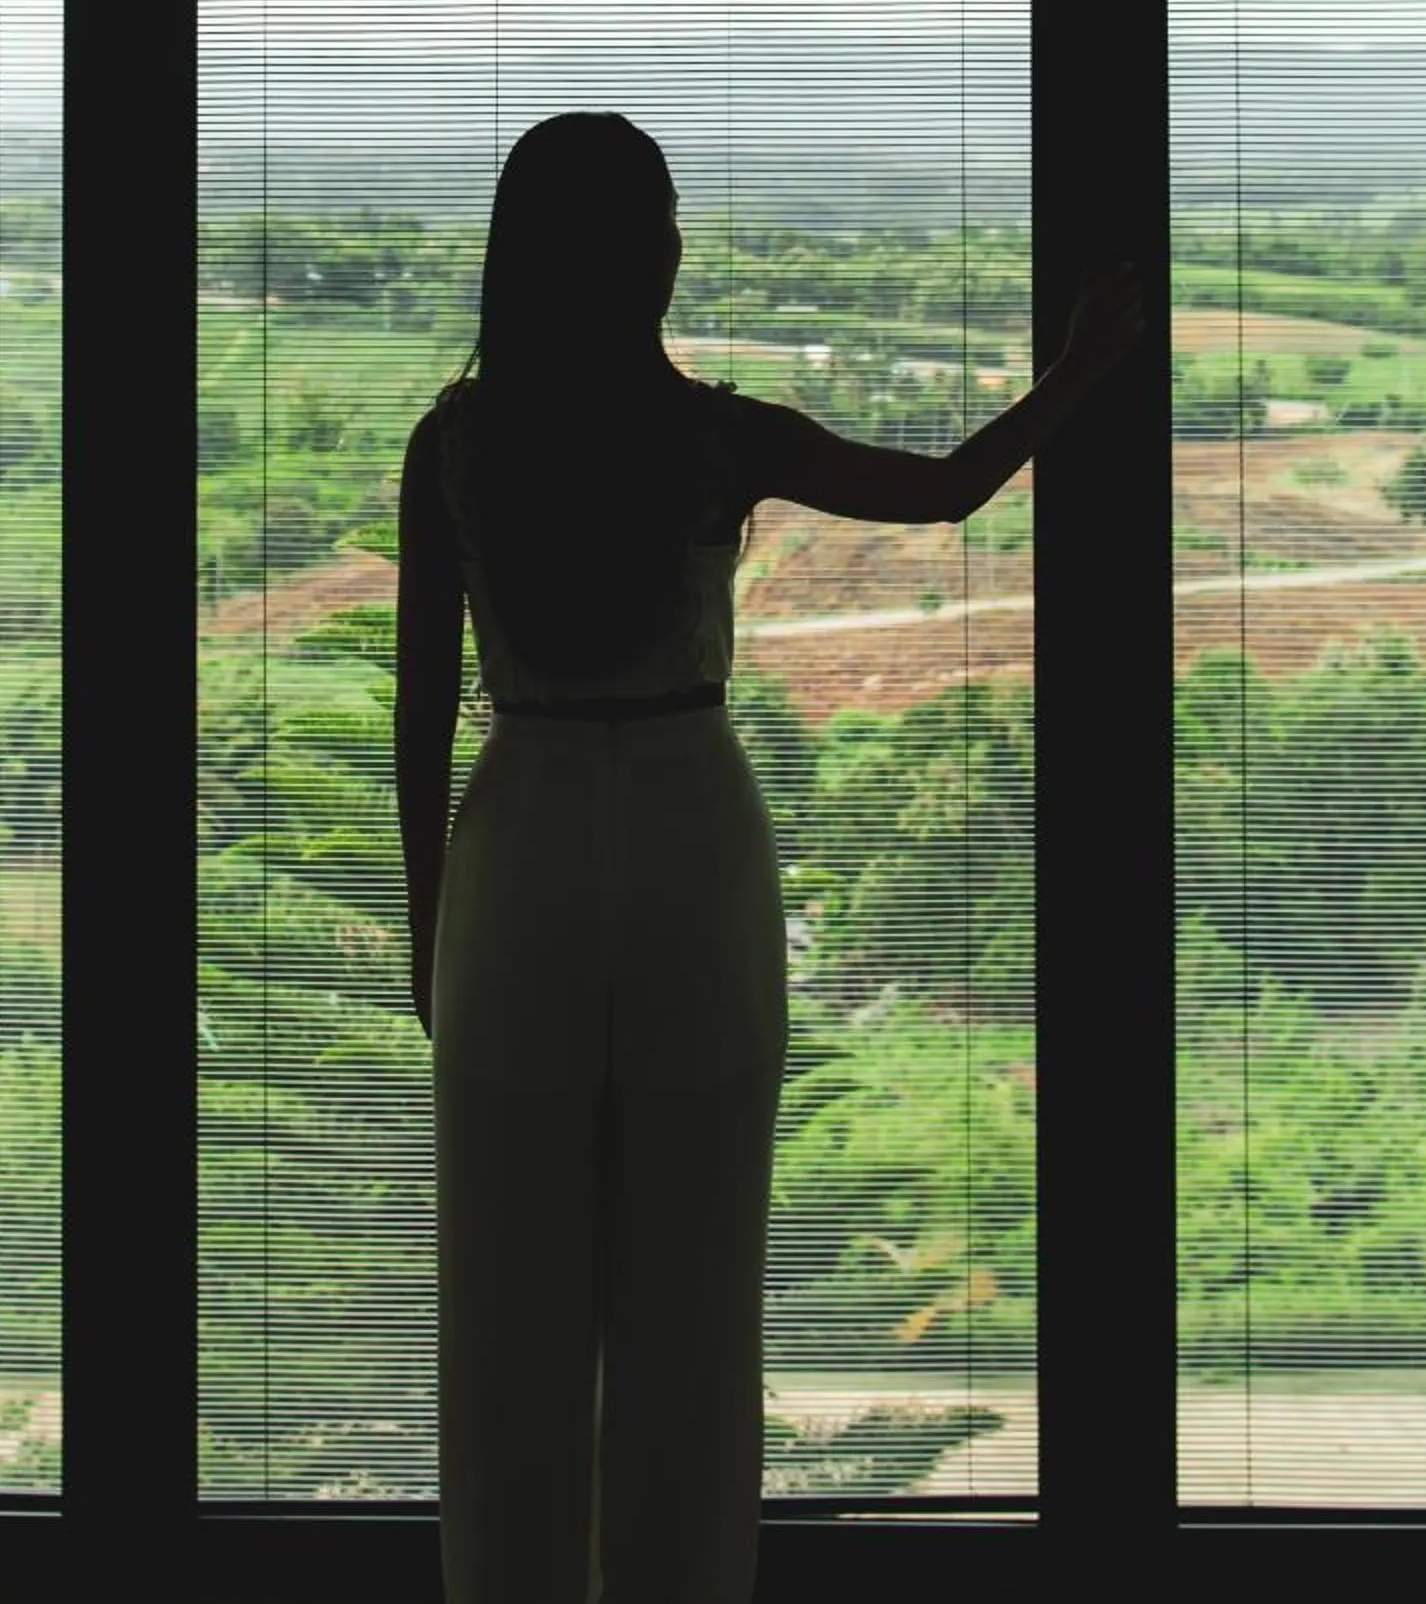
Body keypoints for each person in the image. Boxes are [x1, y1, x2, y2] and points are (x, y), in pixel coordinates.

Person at [393, 110, 1142, 1604]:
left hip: (519, 840)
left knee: (508, 1300)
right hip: (686, 833)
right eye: (660, 219)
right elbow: (941, 490)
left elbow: (420, 712)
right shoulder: (712, 437)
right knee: (691, 1282)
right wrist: (1085, 369)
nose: (673, 242)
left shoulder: (458, 443)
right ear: (640, 254)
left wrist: (433, 934)